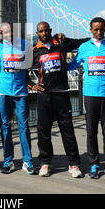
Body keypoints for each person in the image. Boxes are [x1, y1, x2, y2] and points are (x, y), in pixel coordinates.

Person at [27, 21, 91, 178]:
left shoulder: (61, 44)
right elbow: (21, 70)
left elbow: (84, 41)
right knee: (43, 132)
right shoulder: (34, 51)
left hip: (62, 94)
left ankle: (74, 164)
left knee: (67, 131)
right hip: (44, 96)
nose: (44, 33)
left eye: (46, 30)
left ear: (51, 30)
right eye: (41, 31)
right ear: (37, 34)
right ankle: (45, 163)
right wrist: (32, 85)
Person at [68, 17, 105, 179]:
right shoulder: (84, 48)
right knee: (91, 132)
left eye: (101, 29)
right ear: (91, 30)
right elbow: (72, 65)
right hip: (90, 95)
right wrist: (58, 49)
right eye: (96, 29)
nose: (99, 32)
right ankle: (93, 164)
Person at [0, 22, 35, 174]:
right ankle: (8, 161)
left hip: (21, 92)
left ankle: (27, 161)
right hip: (4, 92)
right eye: (5, 32)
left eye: (11, 31)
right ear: (1, 34)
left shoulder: (25, 44)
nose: (9, 34)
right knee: (5, 126)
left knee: (24, 126)